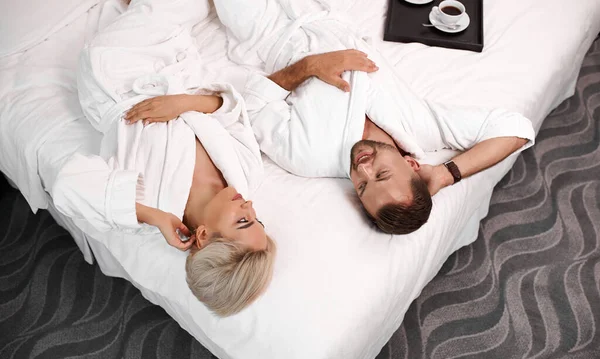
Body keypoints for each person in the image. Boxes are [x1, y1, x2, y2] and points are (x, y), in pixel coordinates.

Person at [133, 0, 535, 235]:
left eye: (361, 187)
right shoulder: (423, 128)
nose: (361, 169)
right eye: (380, 174)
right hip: (315, 9)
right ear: (413, 164)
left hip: (267, 30)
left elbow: (249, 101)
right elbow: (515, 128)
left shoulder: (309, 157)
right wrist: (447, 174)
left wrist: (307, 67)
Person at [51, 0, 275, 316]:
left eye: (243, 221)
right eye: (257, 218)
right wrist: (184, 103)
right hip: (178, 68)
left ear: (203, 235)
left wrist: (150, 215)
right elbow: (232, 110)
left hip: (117, 75)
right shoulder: (247, 176)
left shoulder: (150, 202)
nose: (249, 207)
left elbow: (67, 183)